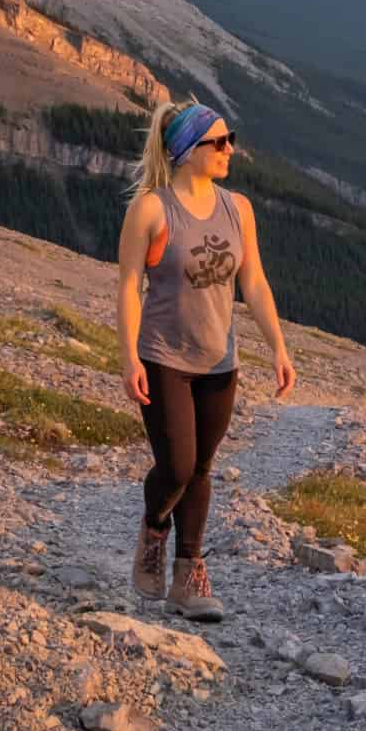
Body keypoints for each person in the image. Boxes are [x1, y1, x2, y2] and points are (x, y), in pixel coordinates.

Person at [117, 99, 297, 620]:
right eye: (218, 142)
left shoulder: (238, 208)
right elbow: (130, 286)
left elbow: (254, 283)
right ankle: (154, 528)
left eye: (229, 138)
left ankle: (188, 575)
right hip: (163, 356)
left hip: (221, 362)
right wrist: (128, 357)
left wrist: (278, 347)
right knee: (176, 466)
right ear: (187, 151)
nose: (229, 150)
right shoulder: (152, 209)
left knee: (202, 469)